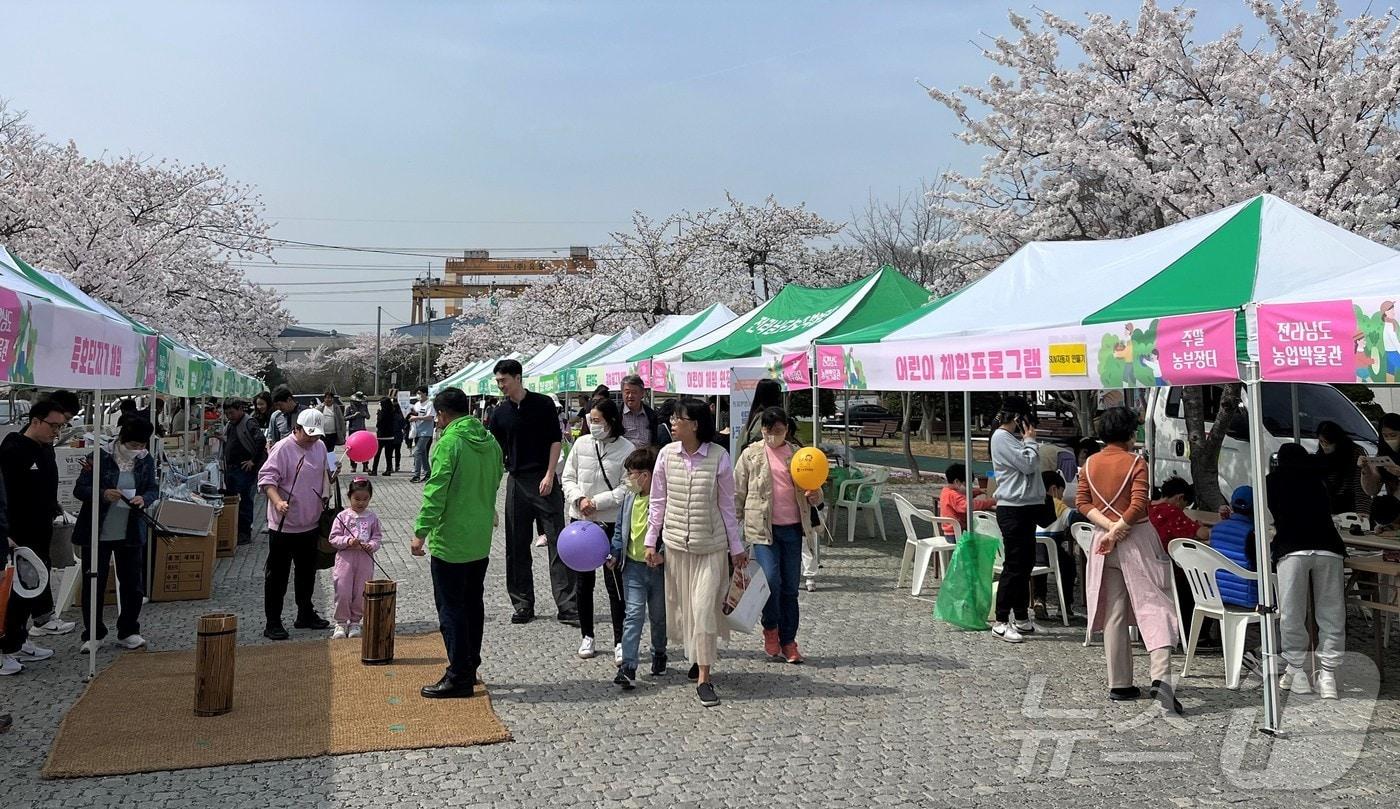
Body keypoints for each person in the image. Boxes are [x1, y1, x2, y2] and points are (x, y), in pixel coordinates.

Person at [1076, 406, 1183, 714]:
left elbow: (1082, 502)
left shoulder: (1090, 463)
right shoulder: (1137, 462)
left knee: (1115, 611)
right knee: (1155, 605)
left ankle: (1120, 683)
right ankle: (1161, 678)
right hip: (1136, 538)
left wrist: (1108, 530)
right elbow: (1138, 504)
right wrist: (1120, 529)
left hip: (1103, 543)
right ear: (1128, 433)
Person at [646, 397, 746, 707]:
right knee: (686, 610)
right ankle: (697, 654)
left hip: (710, 547)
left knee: (704, 609)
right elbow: (657, 501)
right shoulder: (665, 455)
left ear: (695, 424)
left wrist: (736, 548)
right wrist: (652, 540)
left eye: (679, 418)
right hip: (676, 546)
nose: (673, 423)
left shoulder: (719, 457)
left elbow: (727, 506)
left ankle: (704, 677)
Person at [412, 388, 504, 698]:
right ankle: (470, 664)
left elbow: (436, 492)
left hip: (451, 539)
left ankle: (459, 674)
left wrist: (420, 531)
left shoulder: (448, 443)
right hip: (479, 538)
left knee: (451, 609)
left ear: (441, 415)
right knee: (472, 604)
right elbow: (495, 481)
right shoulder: (490, 441)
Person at [735, 406, 821, 664]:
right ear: (762, 430)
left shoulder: (798, 455)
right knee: (772, 581)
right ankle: (770, 626)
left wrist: (816, 496)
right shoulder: (750, 455)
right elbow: (737, 492)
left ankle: (789, 641)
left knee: (790, 588)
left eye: (779, 431)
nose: (773, 436)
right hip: (762, 529)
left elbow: (814, 486)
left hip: (794, 528)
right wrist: (731, 532)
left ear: (787, 430)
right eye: (768, 431)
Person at [489, 360, 571, 625]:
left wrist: (550, 474)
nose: (501, 385)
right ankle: (523, 603)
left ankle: (567, 605)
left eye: (504, 380)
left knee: (558, 541)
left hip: (544, 477)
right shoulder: (499, 412)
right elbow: (495, 451)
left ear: (518, 377)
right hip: (516, 481)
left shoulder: (543, 404)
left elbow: (555, 440)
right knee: (516, 545)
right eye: (498, 381)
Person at [1266, 442, 1347, 699]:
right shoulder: (1317, 479)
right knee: (1331, 612)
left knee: (1292, 611)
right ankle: (1328, 676)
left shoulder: (1271, 481)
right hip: (1328, 547)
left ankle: (1297, 670)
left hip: (1292, 548)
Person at [73, 416, 159, 652]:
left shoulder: (145, 460)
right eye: (133, 445)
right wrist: (103, 493)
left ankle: (129, 629)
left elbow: (152, 488)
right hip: (97, 529)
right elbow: (80, 489)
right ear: (122, 440)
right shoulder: (99, 456)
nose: (138, 450)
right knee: (94, 582)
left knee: (133, 583)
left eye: (142, 446)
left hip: (130, 528)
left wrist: (145, 498)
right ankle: (93, 633)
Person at [561, 398, 635, 663]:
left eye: (597, 421)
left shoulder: (627, 449)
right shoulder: (581, 444)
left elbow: (628, 486)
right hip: (581, 522)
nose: (592, 425)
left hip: (610, 522)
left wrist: (598, 502)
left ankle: (620, 640)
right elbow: (567, 477)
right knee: (583, 582)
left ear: (611, 421)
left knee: (614, 583)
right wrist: (580, 500)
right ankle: (587, 634)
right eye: (590, 420)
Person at [0, 402, 67, 669]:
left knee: (33, 588)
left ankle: (20, 640)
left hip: (41, 530)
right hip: (16, 534)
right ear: (36, 421)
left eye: (61, 426)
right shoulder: (12, 449)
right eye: (53, 426)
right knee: (14, 592)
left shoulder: (46, 450)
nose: (57, 431)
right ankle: (4, 649)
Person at [258, 408, 334, 640]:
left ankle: (305, 613)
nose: (312, 439)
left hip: (310, 523)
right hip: (284, 525)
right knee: (277, 576)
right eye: (308, 434)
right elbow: (267, 479)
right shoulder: (283, 448)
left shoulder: (319, 446)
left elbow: (323, 473)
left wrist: (330, 478)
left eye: (316, 435)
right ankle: (272, 621)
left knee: (307, 573)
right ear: (296, 429)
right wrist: (278, 501)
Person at [607, 445, 666, 689]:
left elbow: (670, 531)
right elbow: (621, 529)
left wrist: (662, 554)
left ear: (647, 474)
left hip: (658, 569)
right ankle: (628, 666)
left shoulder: (663, 499)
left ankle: (659, 652)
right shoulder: (630, 498)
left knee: (659, 616)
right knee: (633, 615)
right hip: (632, 566)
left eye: (633, 473)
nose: (629, 479)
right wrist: (615, 552)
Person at [989, 396, 1046, 642]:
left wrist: (1027, 442)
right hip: (1013, 509)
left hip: (1025, 507)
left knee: (1025, 564)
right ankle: (1001, 620)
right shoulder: (1001, 437)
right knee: (1014, 566)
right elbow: (1028, 464)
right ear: (1017, 418)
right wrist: (1031, 441)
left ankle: (1022, 617)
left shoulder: (1012, 439)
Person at [327, 477, 383, 640]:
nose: (361, 503)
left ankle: (355, 622)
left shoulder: (372, 517)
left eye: (365, 499)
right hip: (345, 559)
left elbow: (377, 537)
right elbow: (333, 538)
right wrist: (348, 541)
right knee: (343, 590)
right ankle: (341, 622)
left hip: (364, 559)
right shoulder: (342, 516)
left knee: (361, 591)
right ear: (349, 497)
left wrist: (371, 545)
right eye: (357, 499)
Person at [1031, 470, 1075, 620]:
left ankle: (1039, 599)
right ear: (1054, 489)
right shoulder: (1058, 505)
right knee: (1069, 565)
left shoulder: (1032, 503)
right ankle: (1066, 606)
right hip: (1052, 553)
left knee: (1039, 568)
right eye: (1062, 492)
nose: (1062, 496)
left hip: (1031, 553)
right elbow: (1073, 518)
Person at [222, 399, 267, 546]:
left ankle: (244, 533)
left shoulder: (249, 422)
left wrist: (252, 461)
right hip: (232, 469)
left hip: (244, 470)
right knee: (233, 500)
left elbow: (261, 440)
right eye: (227, 413)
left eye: (232, 413)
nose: (229, 416)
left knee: (245, 501)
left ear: (240, 409)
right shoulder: (231, 425)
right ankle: (234, 531)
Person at [1208, 486, 1258, 609]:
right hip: (1246, 598)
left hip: (1217, 595)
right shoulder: (1251, 534)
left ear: (1231, 505)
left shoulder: (1216, 530)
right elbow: (1258, 565)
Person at [1315, 420, 1369, 517]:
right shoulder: (1320, 455)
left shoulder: (1354, 452)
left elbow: (1360, 484)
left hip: (1349, 503)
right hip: (1328, 503)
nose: (1324, 446)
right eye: (1322, 442)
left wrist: (1362, 511)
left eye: (1328, 442)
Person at [620, 374, 669, 448]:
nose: (630, 396)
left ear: (642, 393)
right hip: (623, 457)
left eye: (634, 392)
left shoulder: (651, 414)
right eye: (627, 392)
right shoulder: (616, 414)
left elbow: (654, 440)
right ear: (622, 393)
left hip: (646, 457)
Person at [740, 379, 784, 449]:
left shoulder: (755, 413)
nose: (779, 398)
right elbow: (755, 437)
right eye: (777, 394)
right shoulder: (763, 416)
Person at [408, 387, 436, 483]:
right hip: (417, 431)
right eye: (417, 393)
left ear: (425, 393)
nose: (418, 395)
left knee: (417, 451)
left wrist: (417, 417)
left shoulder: (430, 404)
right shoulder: (416, 404)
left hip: (426, 432)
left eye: (419, 393)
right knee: (423, 453)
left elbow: (430, 417)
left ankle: (417, 475)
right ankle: (428, 473)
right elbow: (414, 414)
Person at [938, 463, 972, 539]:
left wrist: (978, 491)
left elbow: (964, 492)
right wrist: (989, 502)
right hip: (956, 534)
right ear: (957, 482)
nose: (969, 488)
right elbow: (967, 506)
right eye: (967, 485)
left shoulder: (946, 490)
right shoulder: (953, 495)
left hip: (949, 532)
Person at [372, 396, 403, 476]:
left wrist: (378, 416)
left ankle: (374, 470)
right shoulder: (393, 412)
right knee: (388, 455)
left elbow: (378, 424)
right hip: (390, 435)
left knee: (377, 454)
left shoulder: (382, 413)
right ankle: (388, 470)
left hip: (381, 436)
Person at [344, 393, 370, 472]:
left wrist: (365, 414)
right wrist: (353, 416)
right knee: (352, 449)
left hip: (362, 430)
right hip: (353, 430)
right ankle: (353, 465)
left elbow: (368, 416)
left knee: (364, 449)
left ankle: (365, 465)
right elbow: (344, 418)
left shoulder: (364, 407)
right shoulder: (349, 408)